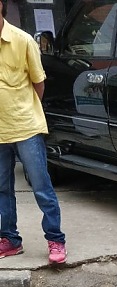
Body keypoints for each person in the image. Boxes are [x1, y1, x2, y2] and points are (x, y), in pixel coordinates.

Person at [0, 0, 68, 264]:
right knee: (3, 189)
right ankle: (10, 240)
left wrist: (25, 110)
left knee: (41, 186)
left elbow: (38, 84)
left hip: (26, 127)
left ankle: (55, 240)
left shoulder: (23, 40)